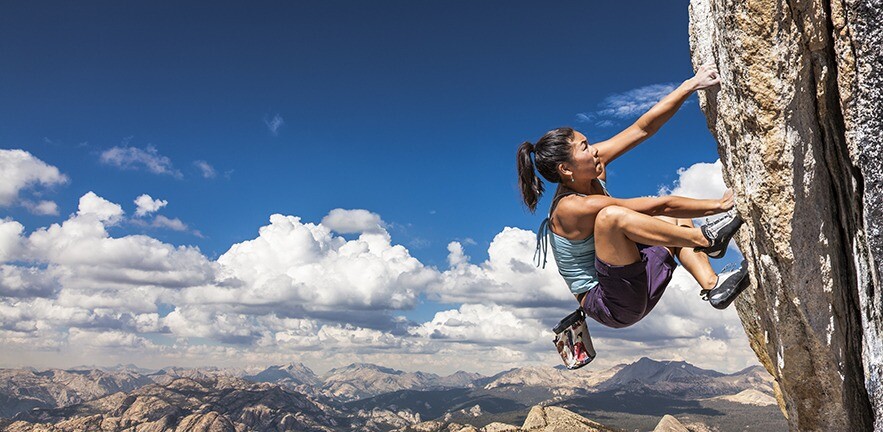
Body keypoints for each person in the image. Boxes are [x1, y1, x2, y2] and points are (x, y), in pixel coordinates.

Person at [516, 64, 749, 329]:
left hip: (635, 278)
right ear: (566, 169)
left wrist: (690, 85)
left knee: (672, 220)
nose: (593, 150)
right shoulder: (570, 208)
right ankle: (706, 239)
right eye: (584, 148)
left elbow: (643, 128)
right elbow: (654, 206)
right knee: (611, 218)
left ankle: (713, 286)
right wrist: (719, 205)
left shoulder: (591, 168)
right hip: (611, 303)